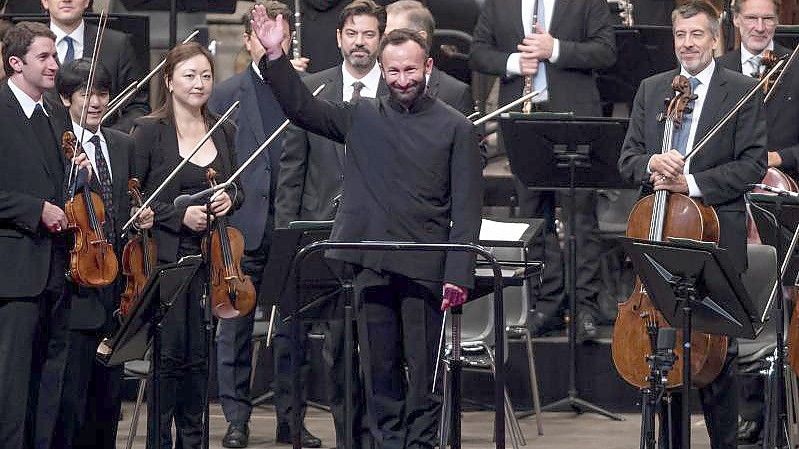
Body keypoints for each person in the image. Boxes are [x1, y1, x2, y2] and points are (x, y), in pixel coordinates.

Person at [253, 5, 483, 448]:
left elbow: (468, 208)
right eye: (393, 71)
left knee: (423, 379)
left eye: (411, 70)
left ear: (429, 67)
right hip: (370, 266)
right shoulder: (361, 115)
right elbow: (302, 109)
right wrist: (276, 54)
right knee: (378, 375)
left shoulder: (455, 127)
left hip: (426, 272)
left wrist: (458, 274)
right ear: (382, 68)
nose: (402, 80)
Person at [617, 2, 767, 448]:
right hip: (662, 237)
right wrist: (651, 163)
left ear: (716, 38)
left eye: (697, 35)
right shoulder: (653, 89)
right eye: (681, 35)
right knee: (666, 354)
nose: (688, 44)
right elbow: (627, 160)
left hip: (717, 236)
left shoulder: (741, 90)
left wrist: (693, 183)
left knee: (718, 357)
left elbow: (753, 165)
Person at [469, 0, 617, 340]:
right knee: (534, 215)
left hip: (576, 119)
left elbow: (606, 51)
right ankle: (544, 306)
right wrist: (513, 61)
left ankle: (585, 308)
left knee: (581, 216)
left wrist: (556, 49)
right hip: (523, 119)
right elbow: (477, 52)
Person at [208, 2, 320, 447]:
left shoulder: (306, 90)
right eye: (261, 34)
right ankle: (236, 418)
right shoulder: (225, 94)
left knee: (293, 331)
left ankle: (292, 419)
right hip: (243, 227)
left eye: (281, 33)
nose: (271, 41)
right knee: (233, 327)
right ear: (249, 41)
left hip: (292, 227)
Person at [131, 42, 241, 449]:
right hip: (168, 263)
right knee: (170, 361)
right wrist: (179, 216)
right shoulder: (148, 130)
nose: (199, 84)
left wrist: (231, 198)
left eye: (206, 76)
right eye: (190, 75)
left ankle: (193, 443)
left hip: (214, 264)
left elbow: (238, 187)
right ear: (169, 80)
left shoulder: (224, 128)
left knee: (200, 364)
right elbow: (134, 196)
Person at [52, 57, 154, 449]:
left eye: (101, 93)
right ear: (66, 98)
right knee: (72, 397)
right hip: (77, 282)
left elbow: (123, 205)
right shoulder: (58, 142)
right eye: (84, 93)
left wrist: (140, 214)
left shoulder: (122, 142)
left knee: (109, 400)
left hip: (117, 285)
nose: (95, 101)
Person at [0, 21, 92, 449]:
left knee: (49, 382)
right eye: (45, 57)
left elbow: (55, 179)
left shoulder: (55, 112)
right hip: (15, 273)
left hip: (59, 269)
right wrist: (35, 210)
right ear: (16, 63)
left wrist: (76, 176)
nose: (56, 64)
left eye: (55, 55)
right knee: (11, 387)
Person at [716, 0, 799, 441]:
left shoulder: (796, 67)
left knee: (779, 304)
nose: (762, 27)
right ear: (736, 22)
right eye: (753, 18)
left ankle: (779, 409)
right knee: (735, 300)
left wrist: (777, 158)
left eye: (769, 19)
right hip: (729, 205)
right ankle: (743, 410)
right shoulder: (718, 68)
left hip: (783, 205)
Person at [42, 0, 149, 131]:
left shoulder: (117, 44)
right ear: (45, 2)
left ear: (87, 2)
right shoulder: (29, 45)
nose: (66, 0)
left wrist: (108, 139)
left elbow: (137, 106)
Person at [384, 0, 474, 115]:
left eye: (394, 37)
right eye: (383, 36)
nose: (385, 44)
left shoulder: (456, 94)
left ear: (421, 38)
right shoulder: (376, 84)